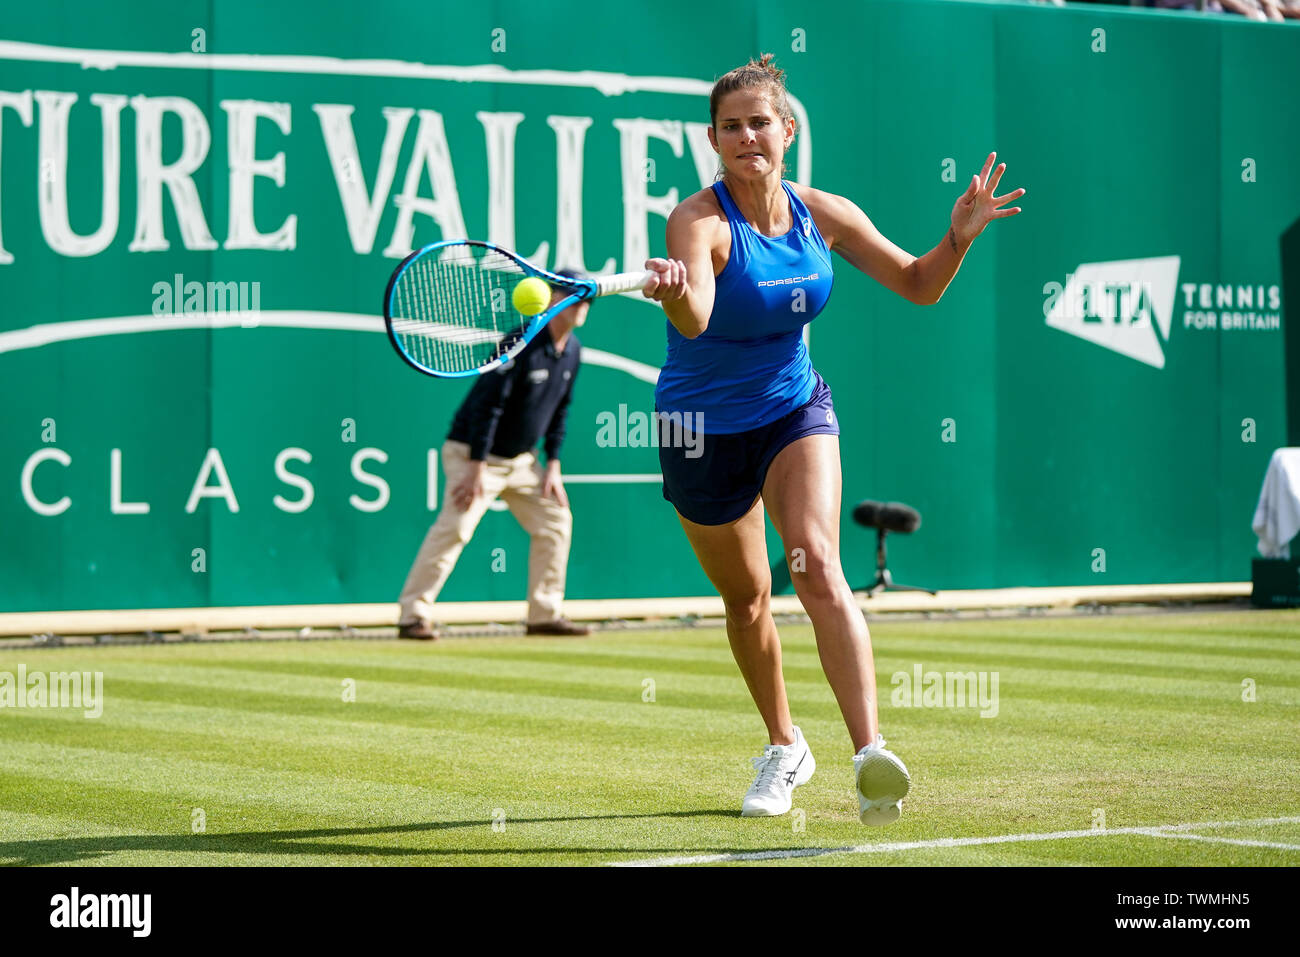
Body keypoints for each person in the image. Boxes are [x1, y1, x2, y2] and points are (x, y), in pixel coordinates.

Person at [642, 55, 1024, 824]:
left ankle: (870, 754)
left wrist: (958, 238)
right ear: (713, 139)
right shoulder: (698, 222)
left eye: (759, 122)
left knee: (816, 563)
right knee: (747, 599)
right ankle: (785, 745)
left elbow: (919, 282)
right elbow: (700, 320)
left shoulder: (826, 213)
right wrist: (676, 297)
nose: (747, 135)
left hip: (792, 409)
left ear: (787, 130)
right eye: (731, 126)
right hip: (696, 427)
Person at [396, 270, 593, 640]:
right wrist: (475, 467)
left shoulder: (575, 351)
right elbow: (489, 405)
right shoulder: (519, 343)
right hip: (475, 456)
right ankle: (412, 615)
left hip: (522, 462)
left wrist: (552, 464)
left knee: (556, 522)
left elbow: (560, 410)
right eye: (573, 295)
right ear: (552, 299)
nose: (582, 304)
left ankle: (543, 615)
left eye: (586, 298)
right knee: (455, 528)